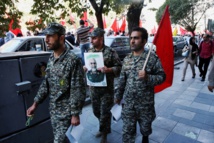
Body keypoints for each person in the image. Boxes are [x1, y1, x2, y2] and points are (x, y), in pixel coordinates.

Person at [26, 22, 86, 143]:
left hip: (66, 113)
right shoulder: (52, 58)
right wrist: (35, 104)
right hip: (54, 111)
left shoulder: (72, 60)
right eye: (46, 36)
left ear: (61, 38)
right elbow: (46, 83)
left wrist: (75, 114)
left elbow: (77, 88)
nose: (46, 39)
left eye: (50, 36)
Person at [114, 27, 166, 143]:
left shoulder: (152, 58)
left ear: (144, 41)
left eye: (136, 38)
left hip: (145, 104)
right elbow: (122, 80)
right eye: (131, 38)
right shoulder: (127, 59)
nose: (132, 41)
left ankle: (145, 139)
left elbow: (162, 77)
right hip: (128, 104)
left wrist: (148, 77)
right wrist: (118, 96)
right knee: (127, 133)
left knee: (145, 130)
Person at [83, 27, 122, 143]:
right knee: (96, 111)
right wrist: (84, 68)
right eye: (91, 38)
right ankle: (104, 126)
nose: (91, 41)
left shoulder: (110, 52)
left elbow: (120, 68)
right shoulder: (89, 52)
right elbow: (87, 67)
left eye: (94, 38)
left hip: (106, 89)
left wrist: (109, 69)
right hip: (93, 88)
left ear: (101, 38)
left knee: (105, 112)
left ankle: (104, 133)